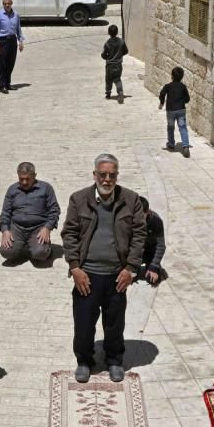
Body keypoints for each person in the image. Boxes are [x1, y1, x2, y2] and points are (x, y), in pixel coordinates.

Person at [61, 154, 146, 383]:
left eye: (112, 175)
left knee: (114, 322)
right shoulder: (79, 199)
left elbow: (139, 235)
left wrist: (130, 268)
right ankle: (84, 361)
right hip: (86, 275)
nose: (107, 179)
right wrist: (75, 267)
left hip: (117, 275)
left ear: (117, 175)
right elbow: (69, 234)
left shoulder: (131, 199)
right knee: (84, 322)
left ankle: (114, 360)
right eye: (103, 174)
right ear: (95, 175)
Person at [0, 162, 61, 264]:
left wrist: (47, 228)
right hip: (17, 227)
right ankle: (21, 246)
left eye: (27, 179)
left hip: (38, 228)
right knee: (6, 252)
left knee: (41, 253)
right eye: (21, 179)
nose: (24, 182)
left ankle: (44, 247)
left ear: (34, 176)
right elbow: (5, 212)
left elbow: (54, 210)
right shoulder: (12, 190)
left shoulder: (46, 188)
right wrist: (5, 230)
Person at [0, 0, 24, 94]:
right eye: (5, 3)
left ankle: (8, 84)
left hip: (12, 41)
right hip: (2, 41)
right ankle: (2, 86)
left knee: (10, 63)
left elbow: (18, 29)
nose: (7, 5)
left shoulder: (16, 15)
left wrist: (21, 41)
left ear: (12, 3)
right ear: (3, 4)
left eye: (9, 3)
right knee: (2, 64)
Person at [135, 196, 168, 286]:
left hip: (150, 251)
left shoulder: (156, 221)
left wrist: (154, 266)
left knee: (152, 279)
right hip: (135, 252)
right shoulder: (127, 220)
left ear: (148, 212)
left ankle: (153, 267)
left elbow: (161, 246)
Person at [159, 66, 191, 158]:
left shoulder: (168, 86)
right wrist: (181, 101)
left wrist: (161, 103)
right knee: (183, 127)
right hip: (181, 110)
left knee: (170, 127)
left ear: (171, 76)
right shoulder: (183, 87)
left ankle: (171, 143)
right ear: (182, 77)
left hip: (170, 111)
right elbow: (187, 99)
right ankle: (185, 146)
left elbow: (162, 93)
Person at [101, 25, 129, 103]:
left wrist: (104, 57)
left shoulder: (107, 43)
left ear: (108, 33)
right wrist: (120, 55)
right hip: (118, 65)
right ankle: (120, 92)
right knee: (117, 79)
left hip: (109, 65)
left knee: (108, 80)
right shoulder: (121, 42)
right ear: (117, 32)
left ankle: (108, 93)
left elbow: (104, 55)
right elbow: (126, 51)